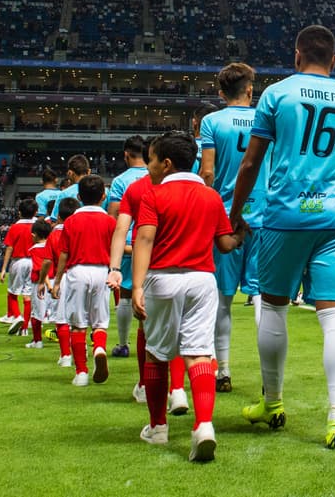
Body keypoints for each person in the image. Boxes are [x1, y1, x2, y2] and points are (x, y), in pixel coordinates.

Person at [231, 25, 335, 449]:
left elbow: (251, 163)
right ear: (334, 59)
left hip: (286, 216)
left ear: (296, 56)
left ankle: (272, 404)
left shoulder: (277, 94)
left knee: (273, 308)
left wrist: (235, 214)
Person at [132, 131, 244, 462]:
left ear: (166, 164)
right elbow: (225, 245)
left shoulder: (154, 195)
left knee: (156, 355)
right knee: (199, 353)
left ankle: (158, 428)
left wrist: (137, 285)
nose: (148, 166)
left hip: (164, 278)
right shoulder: (210, 196)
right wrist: (240, 234)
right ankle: (204, 426)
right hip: (203, 281)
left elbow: (145, 239)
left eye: (151, 159)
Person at [199, 62, 271, 394]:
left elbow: (208, 173)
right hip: (264, 216)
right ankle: (268, 376)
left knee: (222, 300)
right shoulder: (265, 118)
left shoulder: (212, 122)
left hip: (226, 217)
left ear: (220, 92)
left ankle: (223, 371)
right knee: (262, 298)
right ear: (249, 90)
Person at [54, 175, 116, 386]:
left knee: (78, 324)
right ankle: (99, 347)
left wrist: (57, 280)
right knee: (100, 321)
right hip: (101, 270)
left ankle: (81, 372)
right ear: (104, 196)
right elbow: (114, 249)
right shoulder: (110, 221)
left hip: (77, 271)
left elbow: (63, 254)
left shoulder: (71, 221)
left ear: (79, 197)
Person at [106, 135, 148, 360]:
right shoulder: (157, 176)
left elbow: (114, 217)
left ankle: (123, 344)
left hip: (128, 242)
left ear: (126, 154)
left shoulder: (121, 181)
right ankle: (149, 339)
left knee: (124, 294)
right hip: (152, 243)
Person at [46, 197, 80, 368]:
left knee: (62, 318)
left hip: (65, 276)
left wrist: (51, 281)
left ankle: (66, 355)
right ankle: (86, 352)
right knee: (81, 319)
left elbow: (50, 258)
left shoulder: (55, 234)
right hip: (82, 273)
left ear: (59, 216)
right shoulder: (81, 229)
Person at [0, 198, 37, 331]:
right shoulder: (38, 225)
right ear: (36, 212)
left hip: (18, 261)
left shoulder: (15, 227)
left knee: (13, 292)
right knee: (28, 295)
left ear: (20, 212)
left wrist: (3, 269)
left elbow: (9, 248)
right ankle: (25, 327)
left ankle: (16, 316)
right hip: (34, 262)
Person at [25, 218, 54, 349]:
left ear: (34, 235)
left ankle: (37, 341)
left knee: (37, 313)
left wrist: (46, 284)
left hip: (40, 283)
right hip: (56, 281)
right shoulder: (53, 246)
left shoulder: (34, 250)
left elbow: (41, 267)